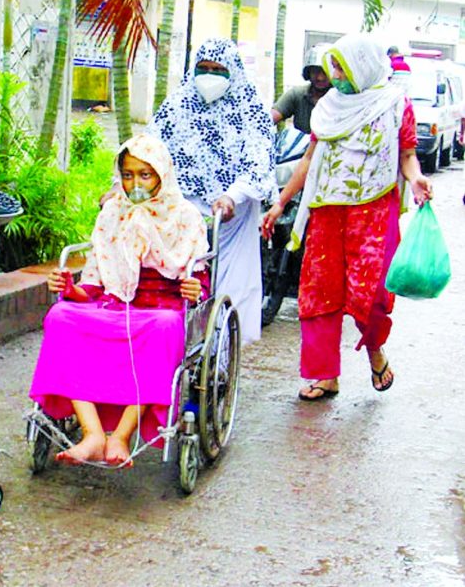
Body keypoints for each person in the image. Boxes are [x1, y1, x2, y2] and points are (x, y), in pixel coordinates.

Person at [261, 33, 432, 401]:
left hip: (373, 213)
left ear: (362, 65)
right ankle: (325, 375)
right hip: (326, 212)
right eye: (332, 66)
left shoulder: (395, 105)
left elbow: (406, 155)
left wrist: (416, 179)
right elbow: (309, 161)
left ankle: (375, 352)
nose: (334, 74)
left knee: (369, 293)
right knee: (319, 293)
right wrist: (281, 202)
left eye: (340, 66)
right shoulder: (328, 108)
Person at [29, 134, 209, 467]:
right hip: (114, 305)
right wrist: (69, 288)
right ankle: (93, 434)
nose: (135, 183)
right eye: (128, 174)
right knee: (60, 316)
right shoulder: (113, 213)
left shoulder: (185, 216)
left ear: (161, 175)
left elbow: (200, 283)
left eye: (145, 174)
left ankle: (121, 437)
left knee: (165, 328)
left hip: (163, 309)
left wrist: (196, 290)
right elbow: (95, 286)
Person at [146, 38, 275, 345]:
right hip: (182, 211)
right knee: (179, 276)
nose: (209, 76)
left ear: (234, 73)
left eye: (219, 70)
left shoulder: (251, 108)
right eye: (203, 69)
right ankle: (175, 343)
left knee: (228, 283)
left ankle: (220, 353)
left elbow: (259, 159)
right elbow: (148, 149)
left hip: (231, 211)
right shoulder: (177, 104)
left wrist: (234, 195)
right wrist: (119, 187)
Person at [271, 45, 332, 134]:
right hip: (301, 146)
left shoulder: (341, 99)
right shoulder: (297, 94)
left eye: (325, 72)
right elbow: (270, 118)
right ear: (308, 73)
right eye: (315, 71)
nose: (320, 78)